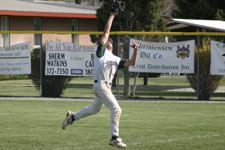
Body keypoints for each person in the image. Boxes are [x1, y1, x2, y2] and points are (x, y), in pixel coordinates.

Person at [62, 12, 140, 148]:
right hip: (101, 86)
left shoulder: (116, 59)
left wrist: (136, 51)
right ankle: (114, 138)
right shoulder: (100, 53)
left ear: (113, 46)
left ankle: (73, 117)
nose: (108, 41)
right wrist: (112, 15)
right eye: (106, 41)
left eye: (110, 41)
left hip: (104, 88)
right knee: (117, 110)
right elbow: (106, 31)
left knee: (95, 108)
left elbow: (132, 63)